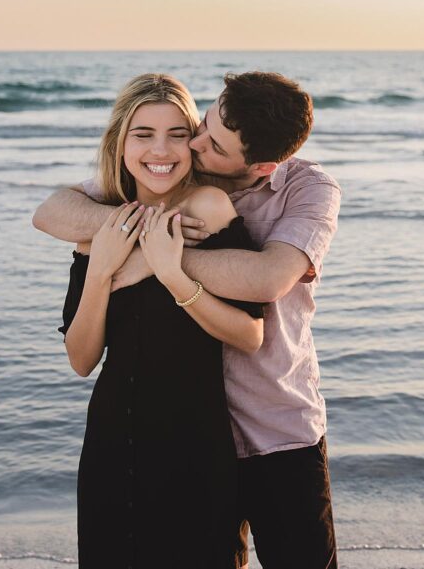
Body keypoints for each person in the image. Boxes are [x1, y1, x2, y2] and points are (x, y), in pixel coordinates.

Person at [35, 71, 342, 569]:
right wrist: (129, 239)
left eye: (208, 141)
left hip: (273, 428)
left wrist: (159, 259)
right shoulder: (158, 175)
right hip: (155, 436)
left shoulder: (303, 191)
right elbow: (53, 209)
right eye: (201, 123)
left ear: (260, 164)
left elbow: (266, 281)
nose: (194, 144)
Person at [57, 73, 267, 568]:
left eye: (177, 134)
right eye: (143, 134)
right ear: (120, 143)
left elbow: (250, 334)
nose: (162, 150)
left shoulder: (208, 209)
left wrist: (173, 275)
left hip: (194, 444)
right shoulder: (100, 221)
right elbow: (82, 358)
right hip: (112, 445)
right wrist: (103, 268)